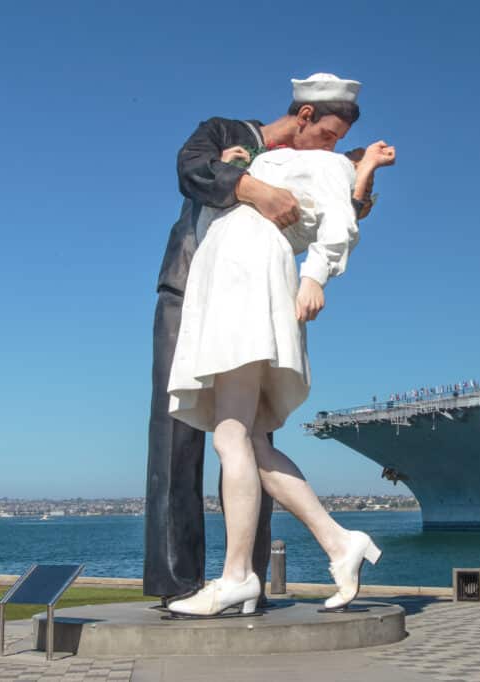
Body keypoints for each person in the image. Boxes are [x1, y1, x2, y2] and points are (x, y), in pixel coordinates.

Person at [144, 73, 372, 606]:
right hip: (201, 285)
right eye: (330, 133)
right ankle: (333, 543)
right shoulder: (235, 139)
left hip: (246, 282)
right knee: (237, 439)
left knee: (233, 436)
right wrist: (251, 183)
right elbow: (193, 168)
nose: (331, 144)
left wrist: (316, 273)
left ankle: (241, 574)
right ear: (306, 116)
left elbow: (337, 217)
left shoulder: (324, 162)